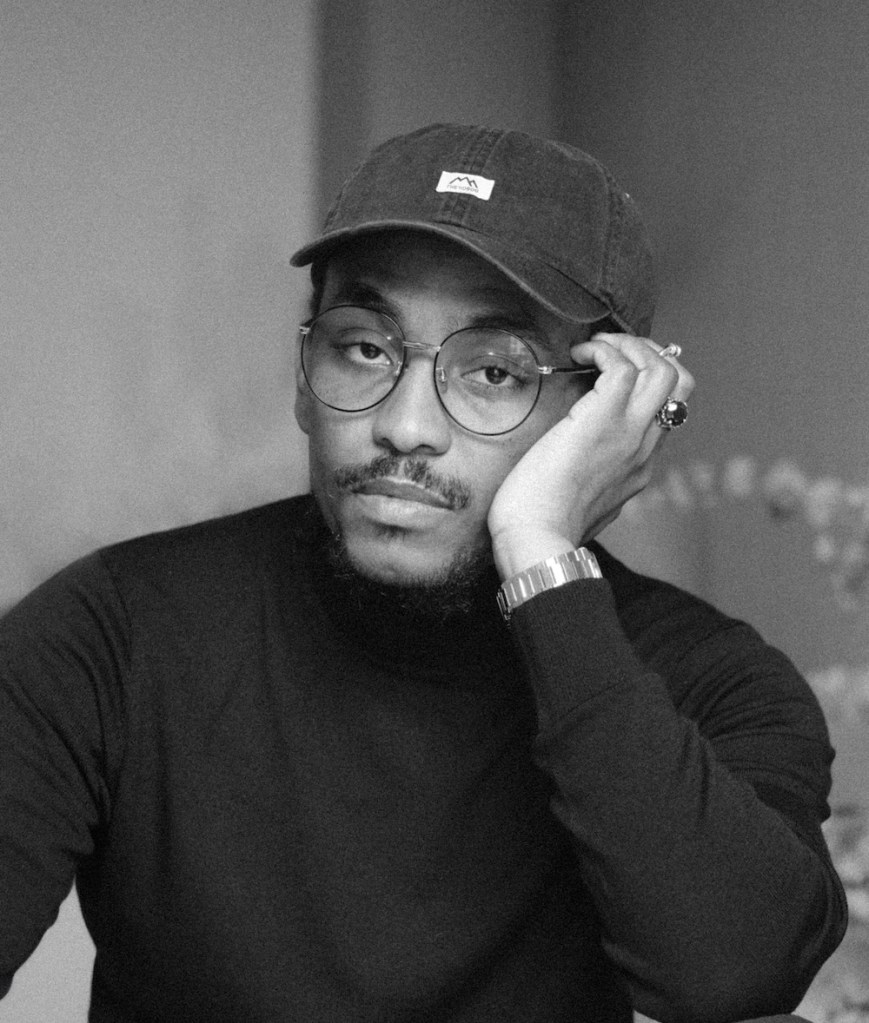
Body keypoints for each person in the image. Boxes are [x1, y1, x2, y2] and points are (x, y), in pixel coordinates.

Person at [0, 123, 846, 1022]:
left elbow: (735, 973)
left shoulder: (705, 680)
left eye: (492, 370)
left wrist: (540, 555)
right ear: (302, 371)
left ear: (607, 418)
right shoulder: (110, 636)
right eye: (364, 347)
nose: (405, 425)